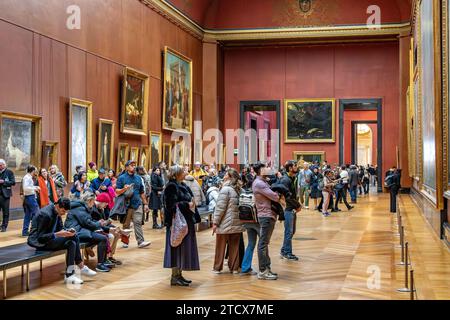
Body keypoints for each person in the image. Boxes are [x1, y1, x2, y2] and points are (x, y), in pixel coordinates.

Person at [27, 197, 97, 284]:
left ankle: (70, 275)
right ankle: (81, 266)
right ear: (57, 205)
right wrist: (58, 234)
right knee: (73, 237)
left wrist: (67, 231)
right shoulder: (45, 214)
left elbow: (60, 229)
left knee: (71, 243)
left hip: (50, 239)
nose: (64, 214)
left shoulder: (57, 212)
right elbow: (40, 238)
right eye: (63, 211)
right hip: (40, 243)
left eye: (66, 212)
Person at [163, 165, 200, 286]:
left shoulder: (183, 185)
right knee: (176, 249)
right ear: (177, 173)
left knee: (182, 249)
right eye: (183, 170)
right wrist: (187, 204)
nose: (186, 172)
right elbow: (170, 206)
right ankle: (175, 276)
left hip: (185, 221)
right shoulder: (171, 186)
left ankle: (179, 275)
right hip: (176, 223)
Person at [64, 191, 112, 272]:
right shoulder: (80, 208)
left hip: (80, 230)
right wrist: (99, 223)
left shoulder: (82, 207)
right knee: (103, 238)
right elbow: (88, 223)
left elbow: (87, 221)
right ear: (89, 201)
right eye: (93, 201)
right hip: (76, 232)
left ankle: (102, 262)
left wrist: (98, 223)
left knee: (103, 237)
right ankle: (100, 264)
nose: (93, 204)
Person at [212, 168, 245, 274]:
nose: (224, 176)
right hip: (237, 223)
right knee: (235, 246)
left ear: (230, 177)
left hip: (224, 222)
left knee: (220, 246)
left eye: (226, 175)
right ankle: (234, 268)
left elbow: (220, 208)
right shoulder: (240, 189)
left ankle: (217, 268)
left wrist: (215, 222)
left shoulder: (225, 189)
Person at [252, 162, 280, 280]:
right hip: (265, 215)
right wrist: (277, 193)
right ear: (260, 171)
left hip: (267, 215)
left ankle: (266, 268)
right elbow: (275, 197)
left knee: (264, 243)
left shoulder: (263, 182)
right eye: (265, 168)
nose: (268, 169)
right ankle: (263, 271)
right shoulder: (260, 183)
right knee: (263, 243)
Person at [116, 160, 151, 248]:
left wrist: (145, 204)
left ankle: (140, 242)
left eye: (134, 165)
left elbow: (142, 192)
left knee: (138, 222)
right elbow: (117, 191)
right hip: (126, 205)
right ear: (127, 167)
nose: (134, 167)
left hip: (138, 204)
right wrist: (124, 189)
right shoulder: (121, 178)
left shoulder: (139, 178)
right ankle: (125, 241)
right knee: (126, 224)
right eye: (131, 165)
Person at [278, 160, 302, 261]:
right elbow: (285, 197)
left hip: (292, 208)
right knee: (289, 231)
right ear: (290, 168)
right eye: (295, 166)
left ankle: (284, 250)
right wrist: (298, 205)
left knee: (291, 231)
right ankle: (287, 253)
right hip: (288, 208)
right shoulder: (285, 180)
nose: (297, 167)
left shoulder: (292, 178)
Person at [22, 165, 40, 236]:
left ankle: (25, 232)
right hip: (30, 197)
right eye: (35, 170)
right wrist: (35, 188)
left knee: (28, 215)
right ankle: (36, 231)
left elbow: (27, 187)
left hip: (28, 197)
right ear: (32, 171)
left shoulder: (28, 177)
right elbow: (25, 188)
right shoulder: (27, 177)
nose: (35, 172)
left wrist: (35, 187)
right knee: (37, 214)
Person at [0, 159, 15, 232]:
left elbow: (13, 182)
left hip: (5, 195)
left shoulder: (9, 172)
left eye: (0, 165)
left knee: (5, 212)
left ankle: (4, 226)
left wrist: (4, 182)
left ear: (3, 165)